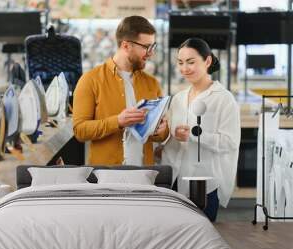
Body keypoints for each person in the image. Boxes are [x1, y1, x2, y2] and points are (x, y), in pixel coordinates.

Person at [161, 38, 241, 222]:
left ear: (207, 61)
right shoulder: (179, 98)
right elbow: (170, 137)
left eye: (191, 62)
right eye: (180, 63)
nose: (185, 68)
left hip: (204, 185)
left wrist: (194, 135)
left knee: (202, 241)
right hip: (173, 181)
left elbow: (230, 142)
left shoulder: (224, 99)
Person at [72, 16, 168, 165]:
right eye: (146, 47)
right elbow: (80, 131)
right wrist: (117, 121)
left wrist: (162, 130)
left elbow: (160, 135)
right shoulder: (90, 80)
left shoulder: (152, 83)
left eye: (152, 46)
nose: (151, 53)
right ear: (126, 46)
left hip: (145, 175)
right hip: (106, 177)